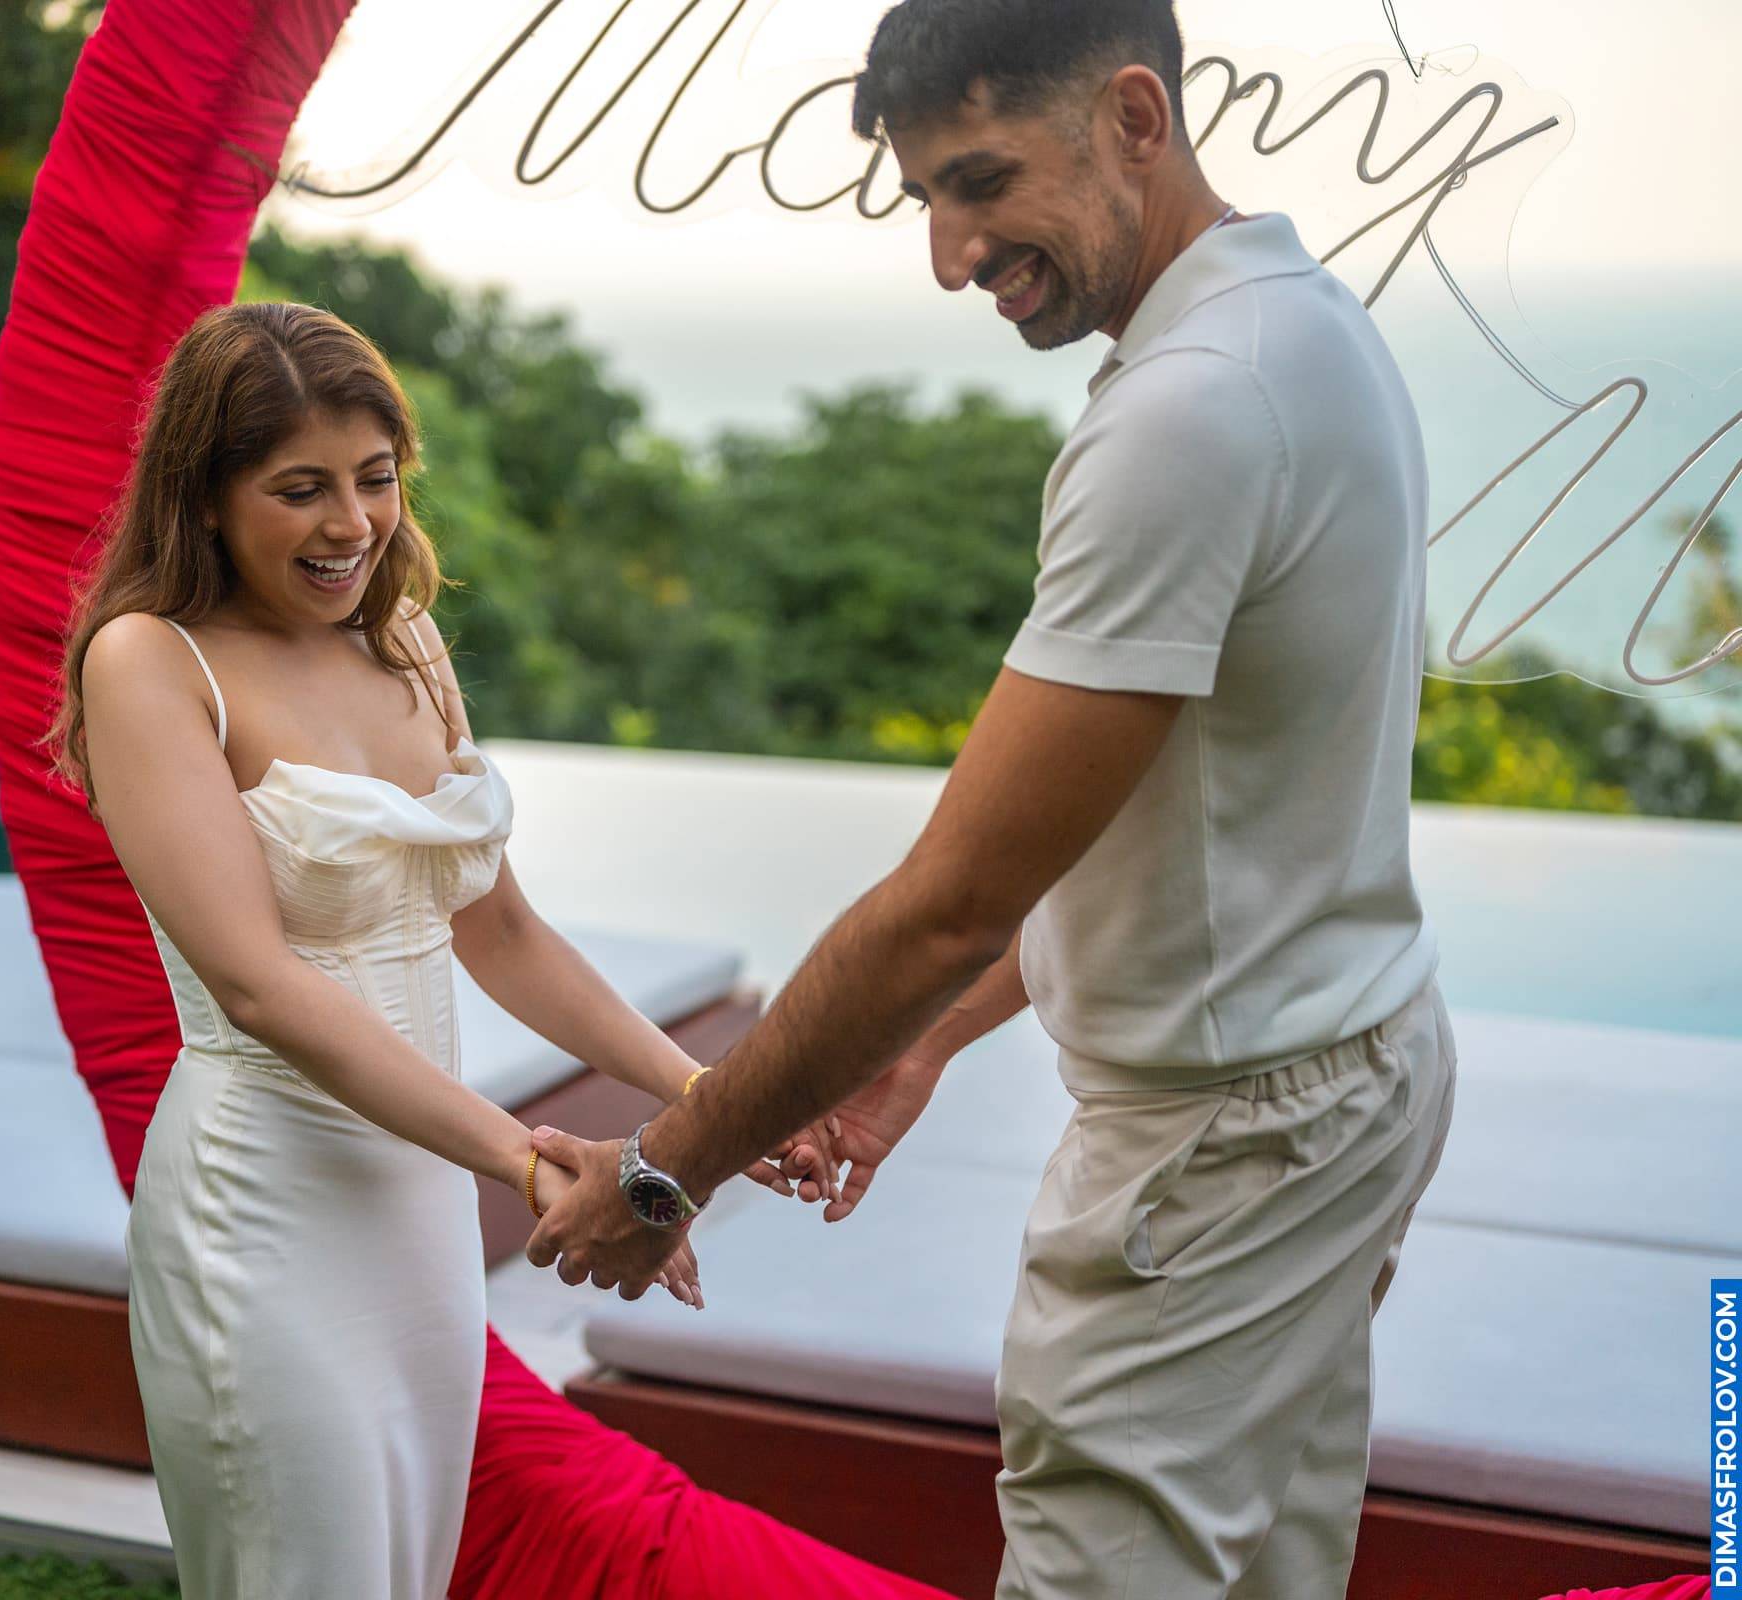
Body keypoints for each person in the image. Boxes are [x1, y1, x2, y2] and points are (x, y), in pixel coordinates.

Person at [528, 3, 1458, 1598]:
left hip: (1222, 1152)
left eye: (982, 182)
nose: (952, 257)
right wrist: (923, 1042)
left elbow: (950, 901)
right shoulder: (1302, 324)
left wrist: (670, 1165)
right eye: (925, 201)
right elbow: (1178, 823)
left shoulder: (1190, 409)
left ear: (1134, 118)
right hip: (1350, 1075)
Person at [40, 299, 779, 1600]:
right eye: (301, 489)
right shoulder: (151, 662)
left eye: (374, 479)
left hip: (419, 1213)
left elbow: (503, 930)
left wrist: (711, 1096)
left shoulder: (406, 641)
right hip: (264, 1212)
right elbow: (260, 987)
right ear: (205, 497)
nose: (352, 524)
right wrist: (528, 1160)